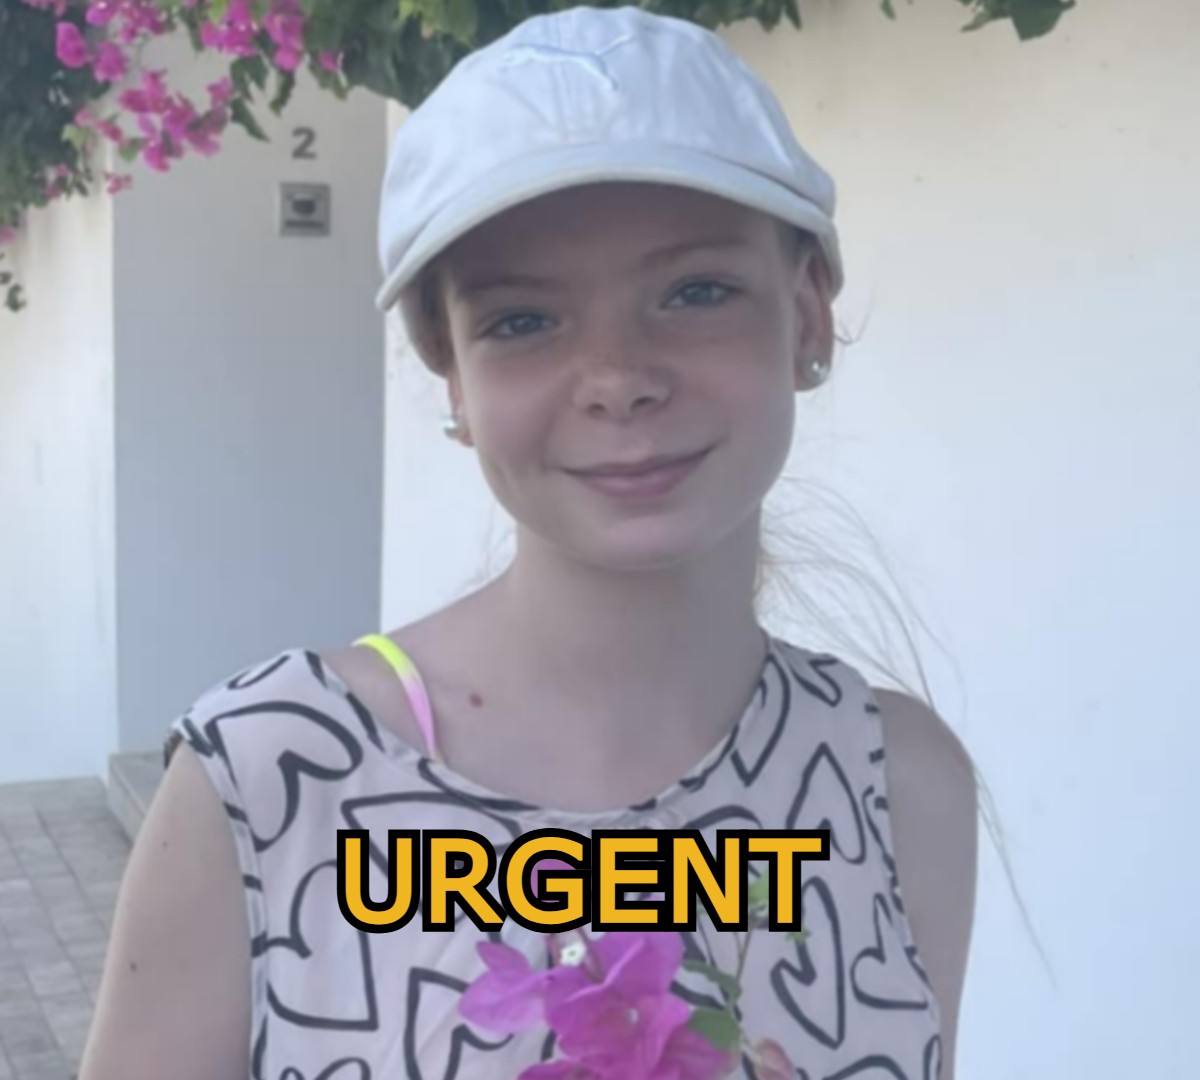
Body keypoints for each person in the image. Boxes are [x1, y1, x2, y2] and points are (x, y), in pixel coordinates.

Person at [78, 6, 977, 1079]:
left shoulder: (894, 786)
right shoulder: (269, 782)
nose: (619, 379)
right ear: (452, 374)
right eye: (522, 321)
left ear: (809, 316)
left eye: (696, 291)